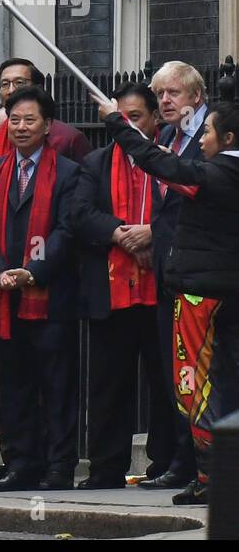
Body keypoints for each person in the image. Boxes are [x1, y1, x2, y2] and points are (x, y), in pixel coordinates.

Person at [96, 95, 239, 505]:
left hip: (200, 297)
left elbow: (157, 164)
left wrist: (116, 122)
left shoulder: (213, 175)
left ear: (226, 138)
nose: (202, 139)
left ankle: (211, 477)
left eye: (207, 132)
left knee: (194, 385)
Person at [0, 59, 92, 484]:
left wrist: (34, 272)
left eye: (30, 120)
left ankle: (60, 466)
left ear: (47, 126)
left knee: (57, 385)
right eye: (15, 121)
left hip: (51, 296)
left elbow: (68, 230)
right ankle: (22, 463)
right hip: (5, 294)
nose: (21, 128)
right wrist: (1, 272)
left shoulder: (69, 173)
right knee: (16, 385)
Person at [71, 83, 168, 489]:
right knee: (109, 385)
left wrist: (153, 234)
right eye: (121, 117)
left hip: (162, 291)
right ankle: (106, 468)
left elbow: (185, 211)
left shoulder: (170, 159)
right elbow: (79, 214)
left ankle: (166, 465)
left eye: (137, 117)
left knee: (166, 384)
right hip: (112, 292)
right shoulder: (95, 162)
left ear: (155, 119)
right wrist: (120, 234)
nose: (128, 125)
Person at [138, 61, 210, 490]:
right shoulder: (164, 136)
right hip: (168, 270)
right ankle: (182, 462)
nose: (164, 101)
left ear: (196, 97)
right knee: (174, 372)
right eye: (160, 94)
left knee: (201, 373)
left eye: (173, 94)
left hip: (203, 276)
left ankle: (203, 465)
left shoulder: (211, 138)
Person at [0, 58, 94, 163]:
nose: (11, 90)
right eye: (5, 84)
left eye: (19, 83)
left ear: (38, 87)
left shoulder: (69, 139)